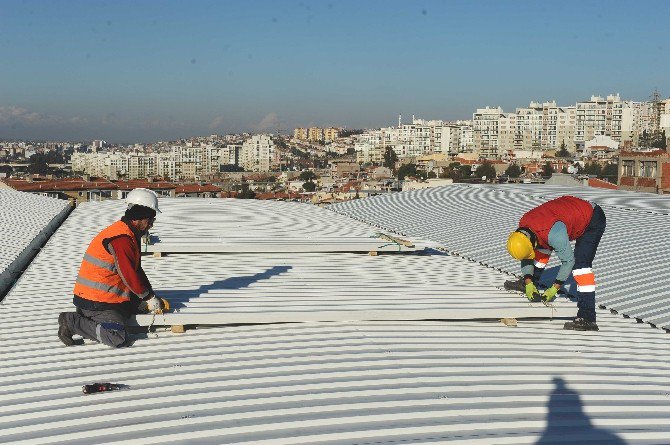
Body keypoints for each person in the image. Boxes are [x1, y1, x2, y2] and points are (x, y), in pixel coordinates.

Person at [58, 188, 168, 347]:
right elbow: (129, 275)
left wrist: (150, 295)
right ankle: (72, 322)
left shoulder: (128, 232)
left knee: (137, 307)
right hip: (97, 303)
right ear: (138, 217)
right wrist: (148, 298)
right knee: (116, 337)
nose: (151, 224)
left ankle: (87, 319)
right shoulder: (122, 239)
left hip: (103, 298)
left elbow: (136, 269)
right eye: (150, 219)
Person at [506, 195, 606, 331]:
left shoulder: (554, 234)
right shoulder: (524, 227)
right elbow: (527, 255)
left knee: (581, 267)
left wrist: (555, 288)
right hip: (565, 214)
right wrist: (528, 282)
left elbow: (568, 261)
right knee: (541, 249)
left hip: (592, 218)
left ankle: (588, 317)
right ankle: (531, 283)